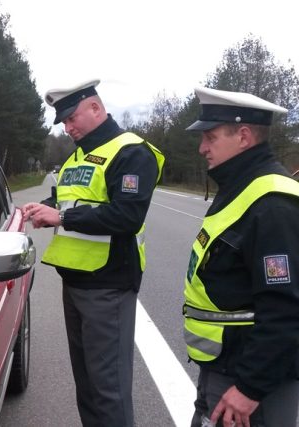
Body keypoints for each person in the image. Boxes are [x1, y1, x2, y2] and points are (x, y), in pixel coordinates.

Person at [22, 79, 164, 426]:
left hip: (109, 287)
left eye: (72, 118)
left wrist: (63, 216)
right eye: (64, 122)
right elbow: (68, 198)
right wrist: (43, 208)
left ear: (96, 109)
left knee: (108, 391)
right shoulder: (78, 155)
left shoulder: (131, 151)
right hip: (76, 283)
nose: (68, 127)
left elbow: (127, 216)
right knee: (87, 387)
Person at [182, 87, 299, 427]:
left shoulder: (272, 204)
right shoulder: (241, 188)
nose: (202, 147)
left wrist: (249, 387)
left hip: (250, 383)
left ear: (244, 135)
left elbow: (287, 308)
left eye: (211, 137)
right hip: (225, 366)